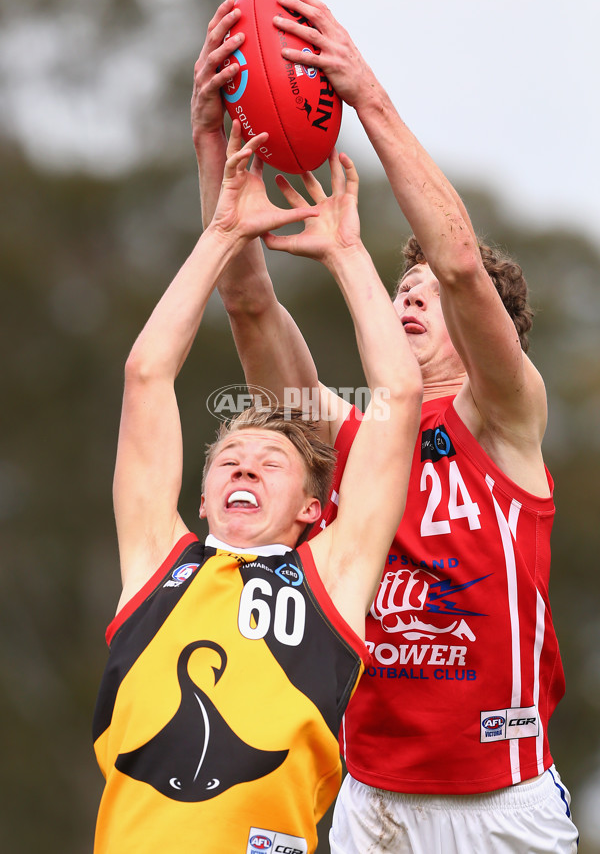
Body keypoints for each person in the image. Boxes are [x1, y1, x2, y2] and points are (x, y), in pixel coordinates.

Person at [191, 0, 579, 854]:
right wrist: (215, 150)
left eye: (428, 299)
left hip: (495, 806)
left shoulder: (507, 417)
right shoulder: (351, 433)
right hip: (368, 799)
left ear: (492, 338)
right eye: (400, 292)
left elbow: (460, 264)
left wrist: (363, 94)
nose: (412, 298)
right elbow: (250, 305)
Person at [91, 123, 422, 854]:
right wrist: (219, 234)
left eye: (271, 464)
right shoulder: (156, 564)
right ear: (202, 497)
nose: (243, 467)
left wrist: (347, 252)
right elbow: (147, 376)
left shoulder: (332, 576)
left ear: (313, 509)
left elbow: (399, 396)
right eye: (229, 459)